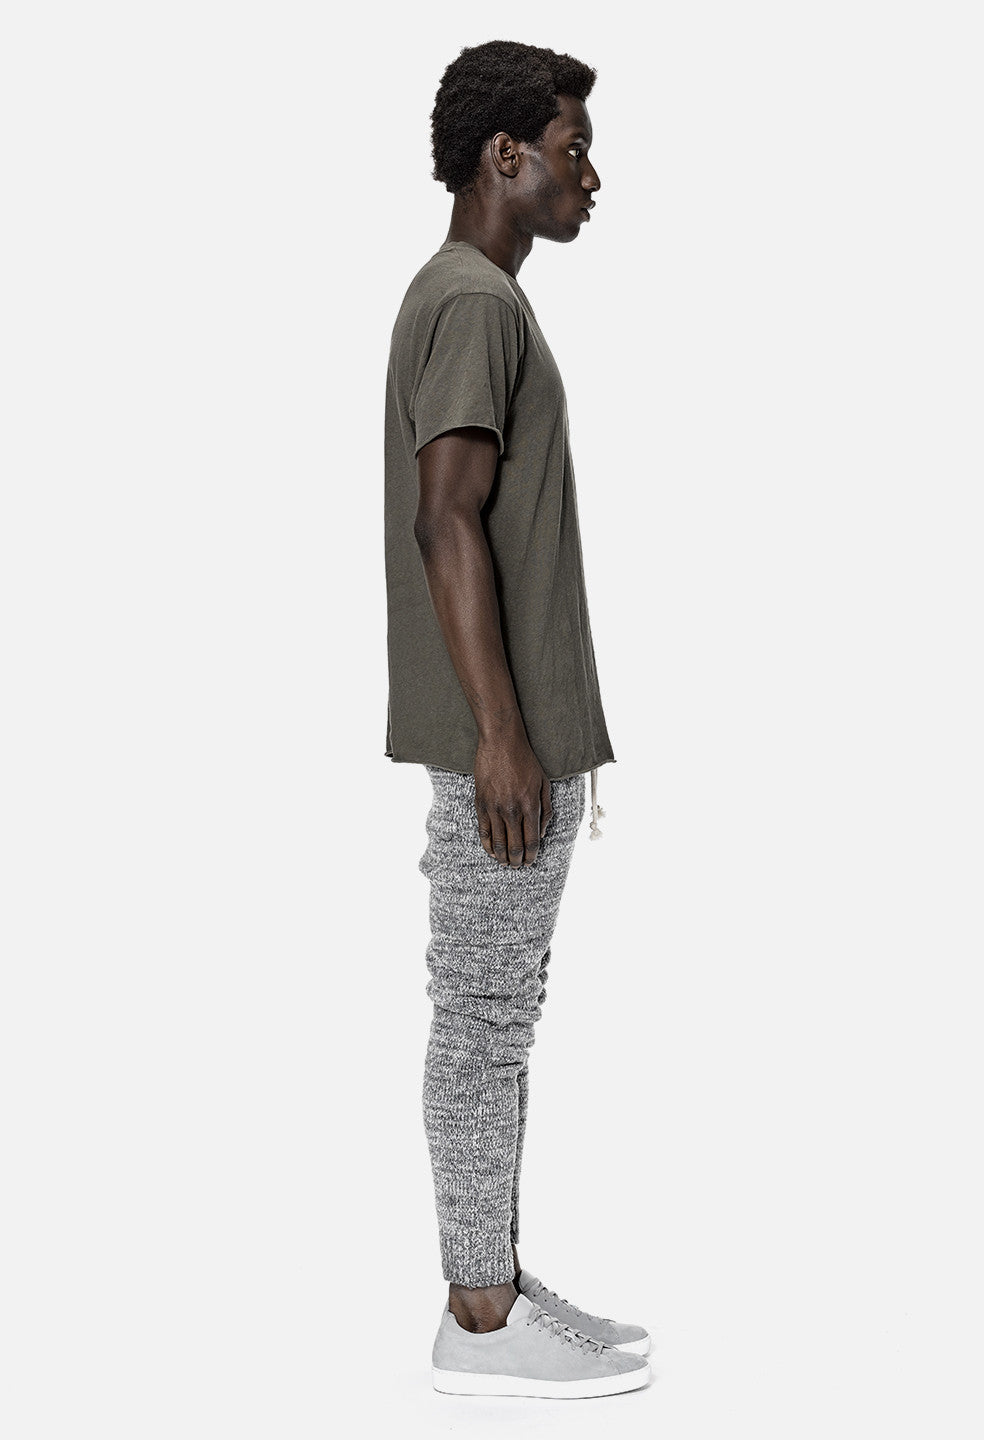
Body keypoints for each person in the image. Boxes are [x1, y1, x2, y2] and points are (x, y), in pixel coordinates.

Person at [383, 40, 651, 1400]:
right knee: (485, 1019)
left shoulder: (471, 298)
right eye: (571, 146)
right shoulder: (475, 302)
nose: (589, 174)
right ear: (506, 155)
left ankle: (494, 1276)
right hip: (504, 746)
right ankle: (480, 1323)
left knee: (497, 1012)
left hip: (515, 740)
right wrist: (500, 734)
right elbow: (448, 520)